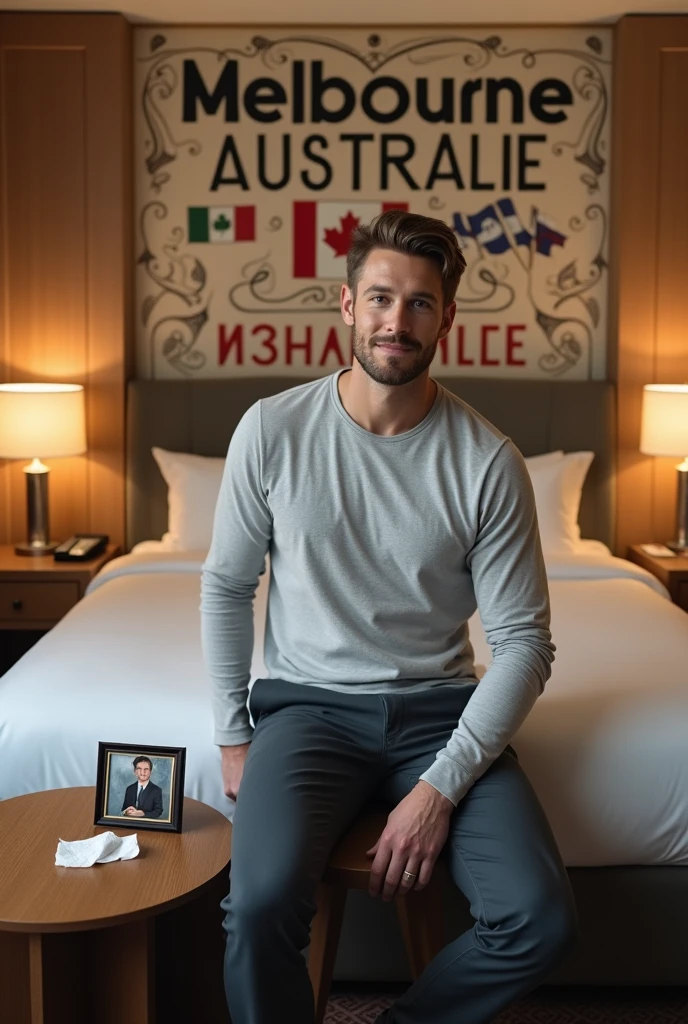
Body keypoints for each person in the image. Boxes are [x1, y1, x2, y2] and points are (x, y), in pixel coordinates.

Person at [200, 210, 578, 1024]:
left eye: (419, 304)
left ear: (447, 318)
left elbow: (523, 644)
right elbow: (227, 586)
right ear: (346, 306)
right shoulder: (271, 431)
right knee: (258, 906)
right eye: (380, 298)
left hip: (440, 716)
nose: (395, 322)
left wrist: (440, 788)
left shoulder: (488, 461)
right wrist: (234, 732)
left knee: (538, 920)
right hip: (308, 711)